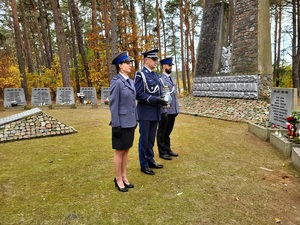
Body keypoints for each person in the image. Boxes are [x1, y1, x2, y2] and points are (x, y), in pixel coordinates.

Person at [134, 48, 168, 175]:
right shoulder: (140, 74)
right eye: (153, 59)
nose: (155, 62)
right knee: (144, 139)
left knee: (151, 139)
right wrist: (155, 100)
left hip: (155, 112)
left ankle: (150, 160)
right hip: (145, 112)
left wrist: (163, 100)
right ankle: (143, 164)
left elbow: (159, 92)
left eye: (156, 60)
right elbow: (138, 94)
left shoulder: (155, 75)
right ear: (146, 60)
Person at [110, 51, 138, 192]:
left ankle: (124, 176)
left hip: (130, 121)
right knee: (119, 151)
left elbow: (133, 103)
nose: (130, 65)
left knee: (126, 150)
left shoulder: (130, 82)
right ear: (120, 65)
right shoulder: (117, 82)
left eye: (130, 63)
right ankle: (118, 179)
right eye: (127, 63)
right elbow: (113, 105)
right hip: (120, 122)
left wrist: (136, 118)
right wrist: (116, 124)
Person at [157, 57, 179, 160]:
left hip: (173, 110)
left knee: (168, 132)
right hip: (165, 110)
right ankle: (162, 152)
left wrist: (176, 109)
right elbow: (161, 95)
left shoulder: (172, 78)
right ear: (164, 66)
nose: (171, 67)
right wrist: (163, 111)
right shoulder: (160, 79)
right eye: (169, 65)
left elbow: (174, 95)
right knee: (162, 132)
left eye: (171, 65)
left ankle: (168, 149)